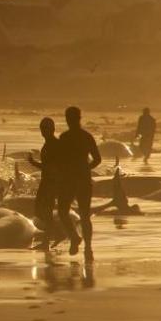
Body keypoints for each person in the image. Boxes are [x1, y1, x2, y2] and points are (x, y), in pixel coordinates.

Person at [57, 106, 101, 261]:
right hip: (81, 178)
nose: (69, 121)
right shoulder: (86, 137)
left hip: (71, 179)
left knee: (66, 211)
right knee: (82, 214)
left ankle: (80, 241)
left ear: (72, 119)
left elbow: (59, 161)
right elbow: (97, 159)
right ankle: (84, 245)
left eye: (70, 119)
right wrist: (85, 168)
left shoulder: (65, 137)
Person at [28, 117, 62, 249]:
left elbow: (53, 166)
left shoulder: (53, 144)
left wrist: (34, 163)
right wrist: (34, 163)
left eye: (45, 129)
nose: (43, 132)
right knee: (41, 210)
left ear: (52, 129)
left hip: (51, 182)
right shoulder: (50, 144)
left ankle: (51, 238)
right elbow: (49, 165)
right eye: (42, 129)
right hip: (48, 181)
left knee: (44, 210)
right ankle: (51, 238)